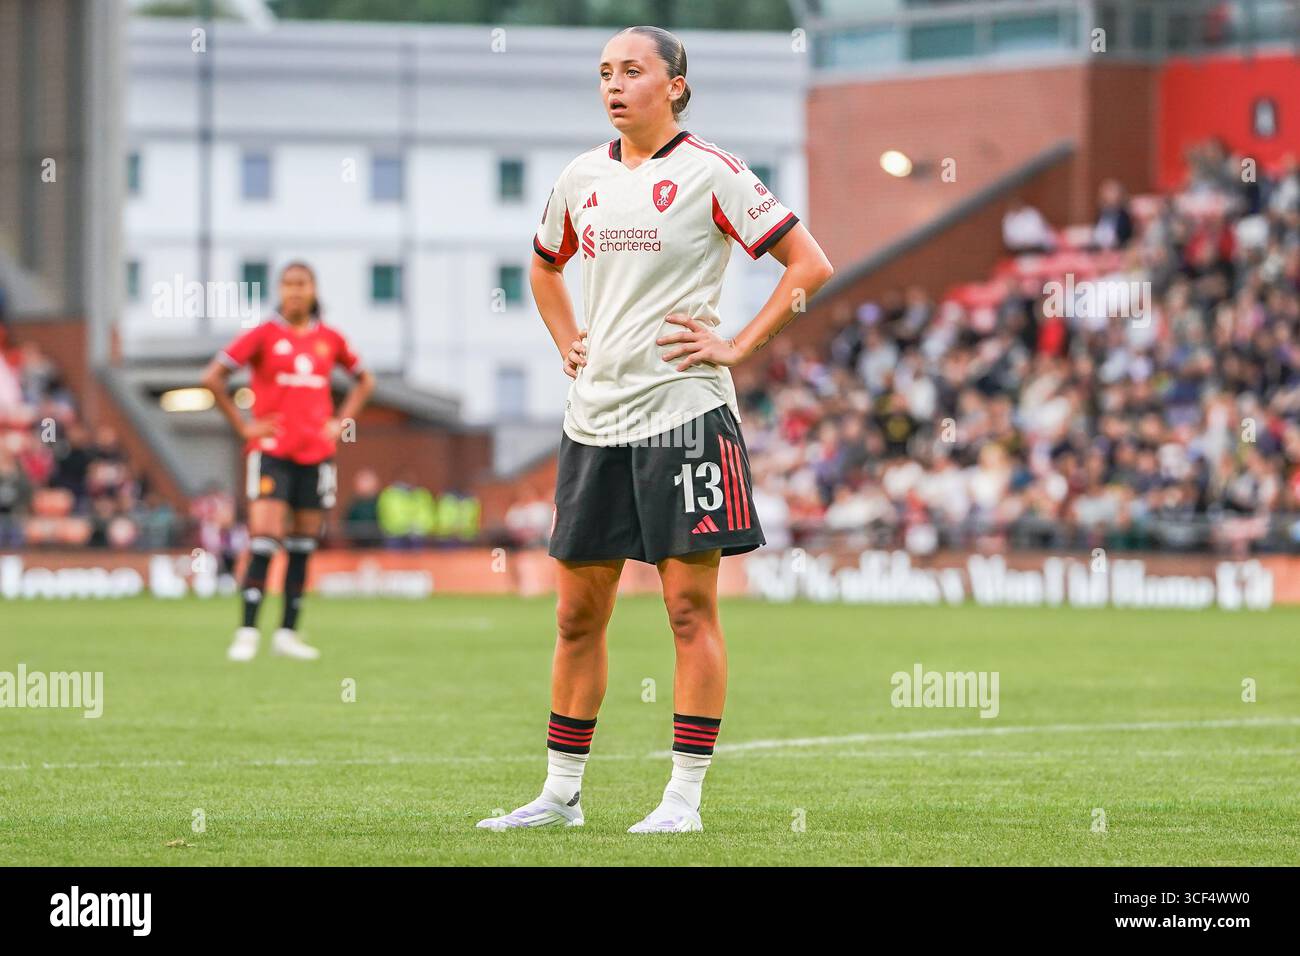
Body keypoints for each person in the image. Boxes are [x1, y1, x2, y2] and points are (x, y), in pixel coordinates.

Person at [477, 25, 833, 834]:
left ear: (674, 84)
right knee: (575, 616)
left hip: (685, 419)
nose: (614, 83)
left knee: (687, 610)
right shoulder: (580, 177)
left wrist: (738, 344)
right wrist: (564, 335)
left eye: (632, 70)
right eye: (605, 72)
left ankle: (683, 799)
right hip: (594, 420)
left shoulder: (714, 173)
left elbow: (809, 264)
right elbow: (542, 264)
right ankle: (560, 797)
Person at [201, 261, 374, 661]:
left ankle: (287, 634)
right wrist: (244, 426)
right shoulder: (263, 335)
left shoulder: (330, 339)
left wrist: (341, 422)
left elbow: (366, 380)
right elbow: (213, 377)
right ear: (279, 290)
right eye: (288, 284)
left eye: (302, 284)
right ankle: (246, 631)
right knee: (264, 535)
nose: (295, 291)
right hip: (272, 452)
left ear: (314, 290)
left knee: (301, 543)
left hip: (316, 454)